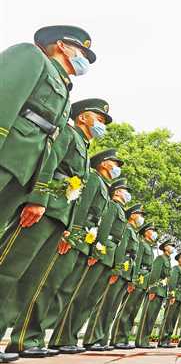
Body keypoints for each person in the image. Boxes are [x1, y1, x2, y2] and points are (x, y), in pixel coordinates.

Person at [0, 24, 96, 364]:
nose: (84, 58)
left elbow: (49, 145)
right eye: (81, 51)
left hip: (22, 172)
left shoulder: (63, 89)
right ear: (60, 45)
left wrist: (36, 190)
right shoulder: (31, 57)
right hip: (6, 157)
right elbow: (4, 99)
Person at [2, 99, 110, 358]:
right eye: (100, 119)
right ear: (83, 117)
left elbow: (78, 196)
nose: (102, 125)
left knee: (32, 281)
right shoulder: (68, 133)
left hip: (60, 216)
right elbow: (50, 163)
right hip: (43, 209)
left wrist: (69, 229)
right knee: (9, 268)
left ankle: (24, 342)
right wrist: (38, 198)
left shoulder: (84, 150)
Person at [48, 150, 124, 353]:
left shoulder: (103, 187)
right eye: (114, 163)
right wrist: (71, 234)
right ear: (104, 164)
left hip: (87, 244)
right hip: (78, 240)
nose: (117, 167)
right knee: (63, 289)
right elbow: (82, 208)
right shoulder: (92, 179)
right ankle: (56, 338)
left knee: (76, 293)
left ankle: (66, 338)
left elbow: (99, 224)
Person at [83, 178, 132, 351]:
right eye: (125, 190)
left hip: (110, 258)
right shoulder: (112, 206)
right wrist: (97, 251)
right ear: (118, 191)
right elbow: (104, 229)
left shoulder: (119, 210)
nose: (128, 194)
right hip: (103, 254)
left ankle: (95, 339)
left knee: (94, 299)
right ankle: (86, 339)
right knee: (86, 296)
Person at [112, 223, 157, 349]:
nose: (154, 232)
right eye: (151, 230)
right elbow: (136, 262)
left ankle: (124, 338)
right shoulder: (142, 244)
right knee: (127, 309)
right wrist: (134, 279)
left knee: (133, 311)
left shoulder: (150, 247)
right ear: (145, 232)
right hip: (138, 279)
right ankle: (117, 338)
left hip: (144, 281)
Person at [135, 240, 174, 348]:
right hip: (156, 290)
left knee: (152, 318)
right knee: (148, 316)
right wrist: (152, 290)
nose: (172, 248)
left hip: (162, 292)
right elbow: (154, 274)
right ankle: (140, 341)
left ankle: (145, 340)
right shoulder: (160, 259)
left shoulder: (168, 260)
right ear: (165, 247)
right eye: (170, 246)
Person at [157, 252, 181, 348]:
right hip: (174, 296)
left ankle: (167, 340)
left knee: (173, 319)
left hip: (180, 297)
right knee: (168, 318)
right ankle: (162, 340)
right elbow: (172, 282)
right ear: (179, 259)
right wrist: (172, 295)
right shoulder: (176, 269)